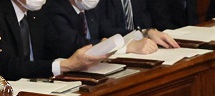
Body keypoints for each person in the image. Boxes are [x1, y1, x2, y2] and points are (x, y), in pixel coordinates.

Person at [0, 0, 106, 80]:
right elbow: (6, 66)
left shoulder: (37, 11)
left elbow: (57, 47)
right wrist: (65, 65)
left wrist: (100, 48)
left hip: (38, 85)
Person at [43, 0, 176, 60]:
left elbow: (108, 30)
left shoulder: (89, 7)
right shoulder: (54, 7)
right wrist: (127, 47)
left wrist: (144, 33)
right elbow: (75, 45)